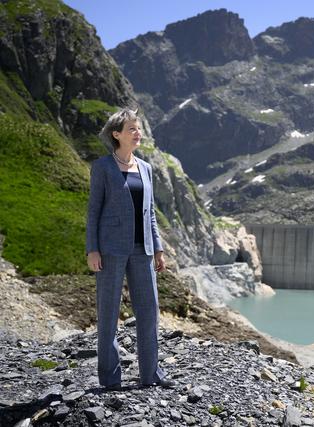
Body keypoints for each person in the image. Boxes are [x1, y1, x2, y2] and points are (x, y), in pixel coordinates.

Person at [86, 108, 175, 391]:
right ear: (116, 135)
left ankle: (151, 375)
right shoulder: (102, 167)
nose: (138, 133)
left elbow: (149, 214)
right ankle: (110, 380)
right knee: (109, 314)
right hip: (110, 250)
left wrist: (158, 248)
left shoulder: (146, 168)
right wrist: (93, 249)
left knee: (149, 312)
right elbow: (93, 212)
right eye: (132, 130)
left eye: (138, 129)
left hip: (143, 251)